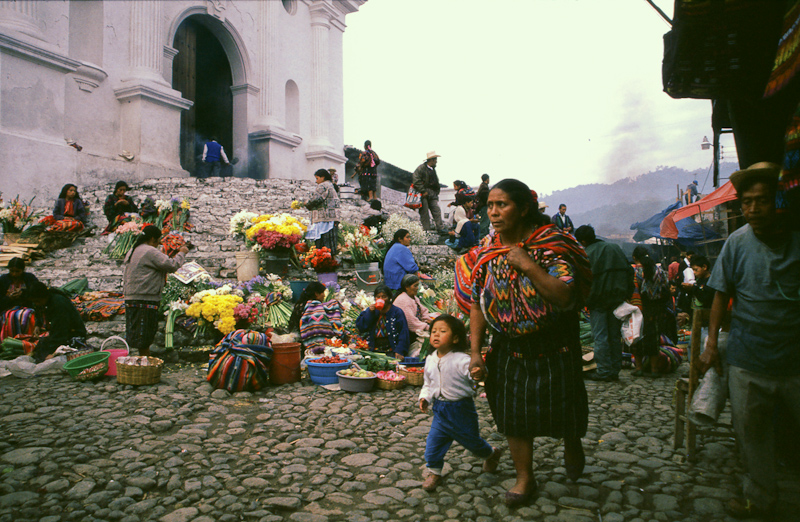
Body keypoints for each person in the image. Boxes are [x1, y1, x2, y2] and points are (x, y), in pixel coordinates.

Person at [468, 179, 591, 507]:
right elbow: (476, 302)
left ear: (523, 209)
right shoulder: (487, 247)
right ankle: (525, 478)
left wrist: (527, 264)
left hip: (554, 342)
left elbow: (565, 296)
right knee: (512, 413)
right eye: (490, 205)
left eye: (502, 204)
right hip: (508, 345)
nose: (493, 212)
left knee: (565, 405)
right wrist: (476, 351)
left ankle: (571, 441)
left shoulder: (550, 245)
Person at [699, 162, 800, 519]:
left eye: (762, 201)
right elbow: (719, 294)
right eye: (747, 202)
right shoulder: (736, 243)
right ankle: (760, 496)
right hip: (747, 355)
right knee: (752, 432)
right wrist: (711, 345)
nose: (754, 209)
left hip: (793, 356)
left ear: (778, 202)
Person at [419, 314, 503, 492]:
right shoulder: (430, 360)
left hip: (461, 409)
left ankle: (491, 453)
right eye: (434, 331)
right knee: (432, 445)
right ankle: (434, 472)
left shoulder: (462, 360)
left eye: (442, 331)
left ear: (456, 338)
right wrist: (424, 397)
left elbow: (474, 373)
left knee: (473, 443)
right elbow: (428, 382)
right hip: (440, 411)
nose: (436, 334)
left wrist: (478, 372)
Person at [575, 225, 633, 382]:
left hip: (597, 302)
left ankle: (604, 371)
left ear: (583, 241)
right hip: (617, 300)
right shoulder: (614, 248)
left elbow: (581, 280)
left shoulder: (586, 254)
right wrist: (627, 294)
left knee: (600, 337)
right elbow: (629, 272)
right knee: (614, 336)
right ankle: (615, 369)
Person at [124, 225, 188, 356]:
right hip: (145, 296)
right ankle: (145, 362)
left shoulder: (134, 249)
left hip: (132, 295)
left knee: (138, 331)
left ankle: (143, 360)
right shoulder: (149, 251)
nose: (159, 243)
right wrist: (182, 253)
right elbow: (172, 265)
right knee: (145, 332)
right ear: (152, 238)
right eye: (158, 240)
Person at [630, 246, 671, 376]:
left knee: (636, 337)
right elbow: (666, 287)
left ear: (635, 258)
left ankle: (639, 368)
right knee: (653, 338)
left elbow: (630, 289)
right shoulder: (659, 270)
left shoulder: (634, 272)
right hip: (655, 309)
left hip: (638, 309)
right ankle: (654, 370)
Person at [28, 282, 87, 363]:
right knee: (41, 347)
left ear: (44, 296)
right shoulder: (43, 301)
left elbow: (60, 331)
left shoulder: (58, 304)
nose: (36, 304)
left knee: (46, 357)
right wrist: (37, 325)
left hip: (74, 335)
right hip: (61, 333)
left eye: (37, 301)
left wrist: (52, 353)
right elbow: (38, 311)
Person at [355, 284, 410, 359]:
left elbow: (403, 332)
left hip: (391, 351)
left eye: (384, 297)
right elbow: (361, 326)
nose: (381, 299)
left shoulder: (397, 312)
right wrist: (369, 313)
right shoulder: (372, 311)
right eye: (378, 297)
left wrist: (399, 350)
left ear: (389, 298)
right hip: (373, 350)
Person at [290, 281, 344, 350]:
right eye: (322, 293)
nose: (324, 295)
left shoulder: (300, 304)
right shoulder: (315, 306)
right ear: (316, 294)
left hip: (301, 338)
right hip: (312, 343)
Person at [394, 274, 438, 357]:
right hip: (407, 335)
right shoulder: (403, 300)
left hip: (415, 330)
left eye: (418, 285)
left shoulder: (413, 297)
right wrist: (428, 327)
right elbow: (411, 322)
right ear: (407, 287)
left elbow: (423, 311)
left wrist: (429, 320)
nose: (417, 288)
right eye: (415, 286)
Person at [305, 169, 340, 253]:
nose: (316, 181)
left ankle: (322, 262)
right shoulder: (331, 185)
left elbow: (316, 199)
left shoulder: (322, 186)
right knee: (331, 244)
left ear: (323, 177)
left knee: (322, 244)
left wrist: (306, 203)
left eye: (317, 178)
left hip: (324, 218)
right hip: (332, 217)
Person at [411, 151, 446, 234]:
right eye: (435, 160)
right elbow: (416, 180)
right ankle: (426, 229)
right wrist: (423, 190)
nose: (436, 161)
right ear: (431, 160)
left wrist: (436, 192)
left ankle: (440, 228)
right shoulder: (421, 168)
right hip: (424, 193)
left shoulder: (433, 169)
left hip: (432, 193)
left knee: (436, 210)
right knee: (424, 212)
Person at [475, 174, 490, 239]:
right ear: (487, 179)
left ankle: (485, 236)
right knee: (484, 222)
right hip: (484, 207)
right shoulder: (484, 187)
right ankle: (483, 237)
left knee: (485, 222)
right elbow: (485, 198)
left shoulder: (482, 186)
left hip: (482, 207)